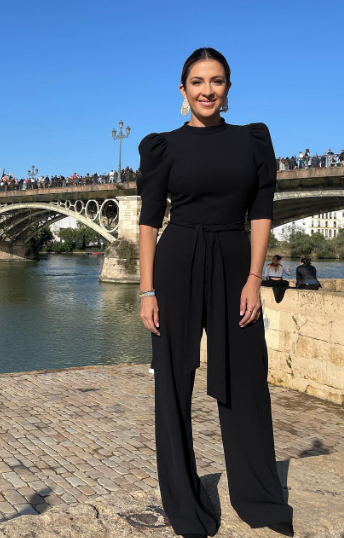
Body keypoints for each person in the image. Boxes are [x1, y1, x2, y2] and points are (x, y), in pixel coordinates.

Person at [136, 47, 293, 538]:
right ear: (183, 91)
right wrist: (147, 290)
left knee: (246, 379)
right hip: (177, 261)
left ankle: (258, 497)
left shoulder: (252, 141)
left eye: (217, 81)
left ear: (228, 89)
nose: (208, 90)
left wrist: (253, 278)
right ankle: (185, 504)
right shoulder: (162, 147)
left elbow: (262, 213)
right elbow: (147, 223)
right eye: (198, 82)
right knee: (173, 385)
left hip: (233, 264)